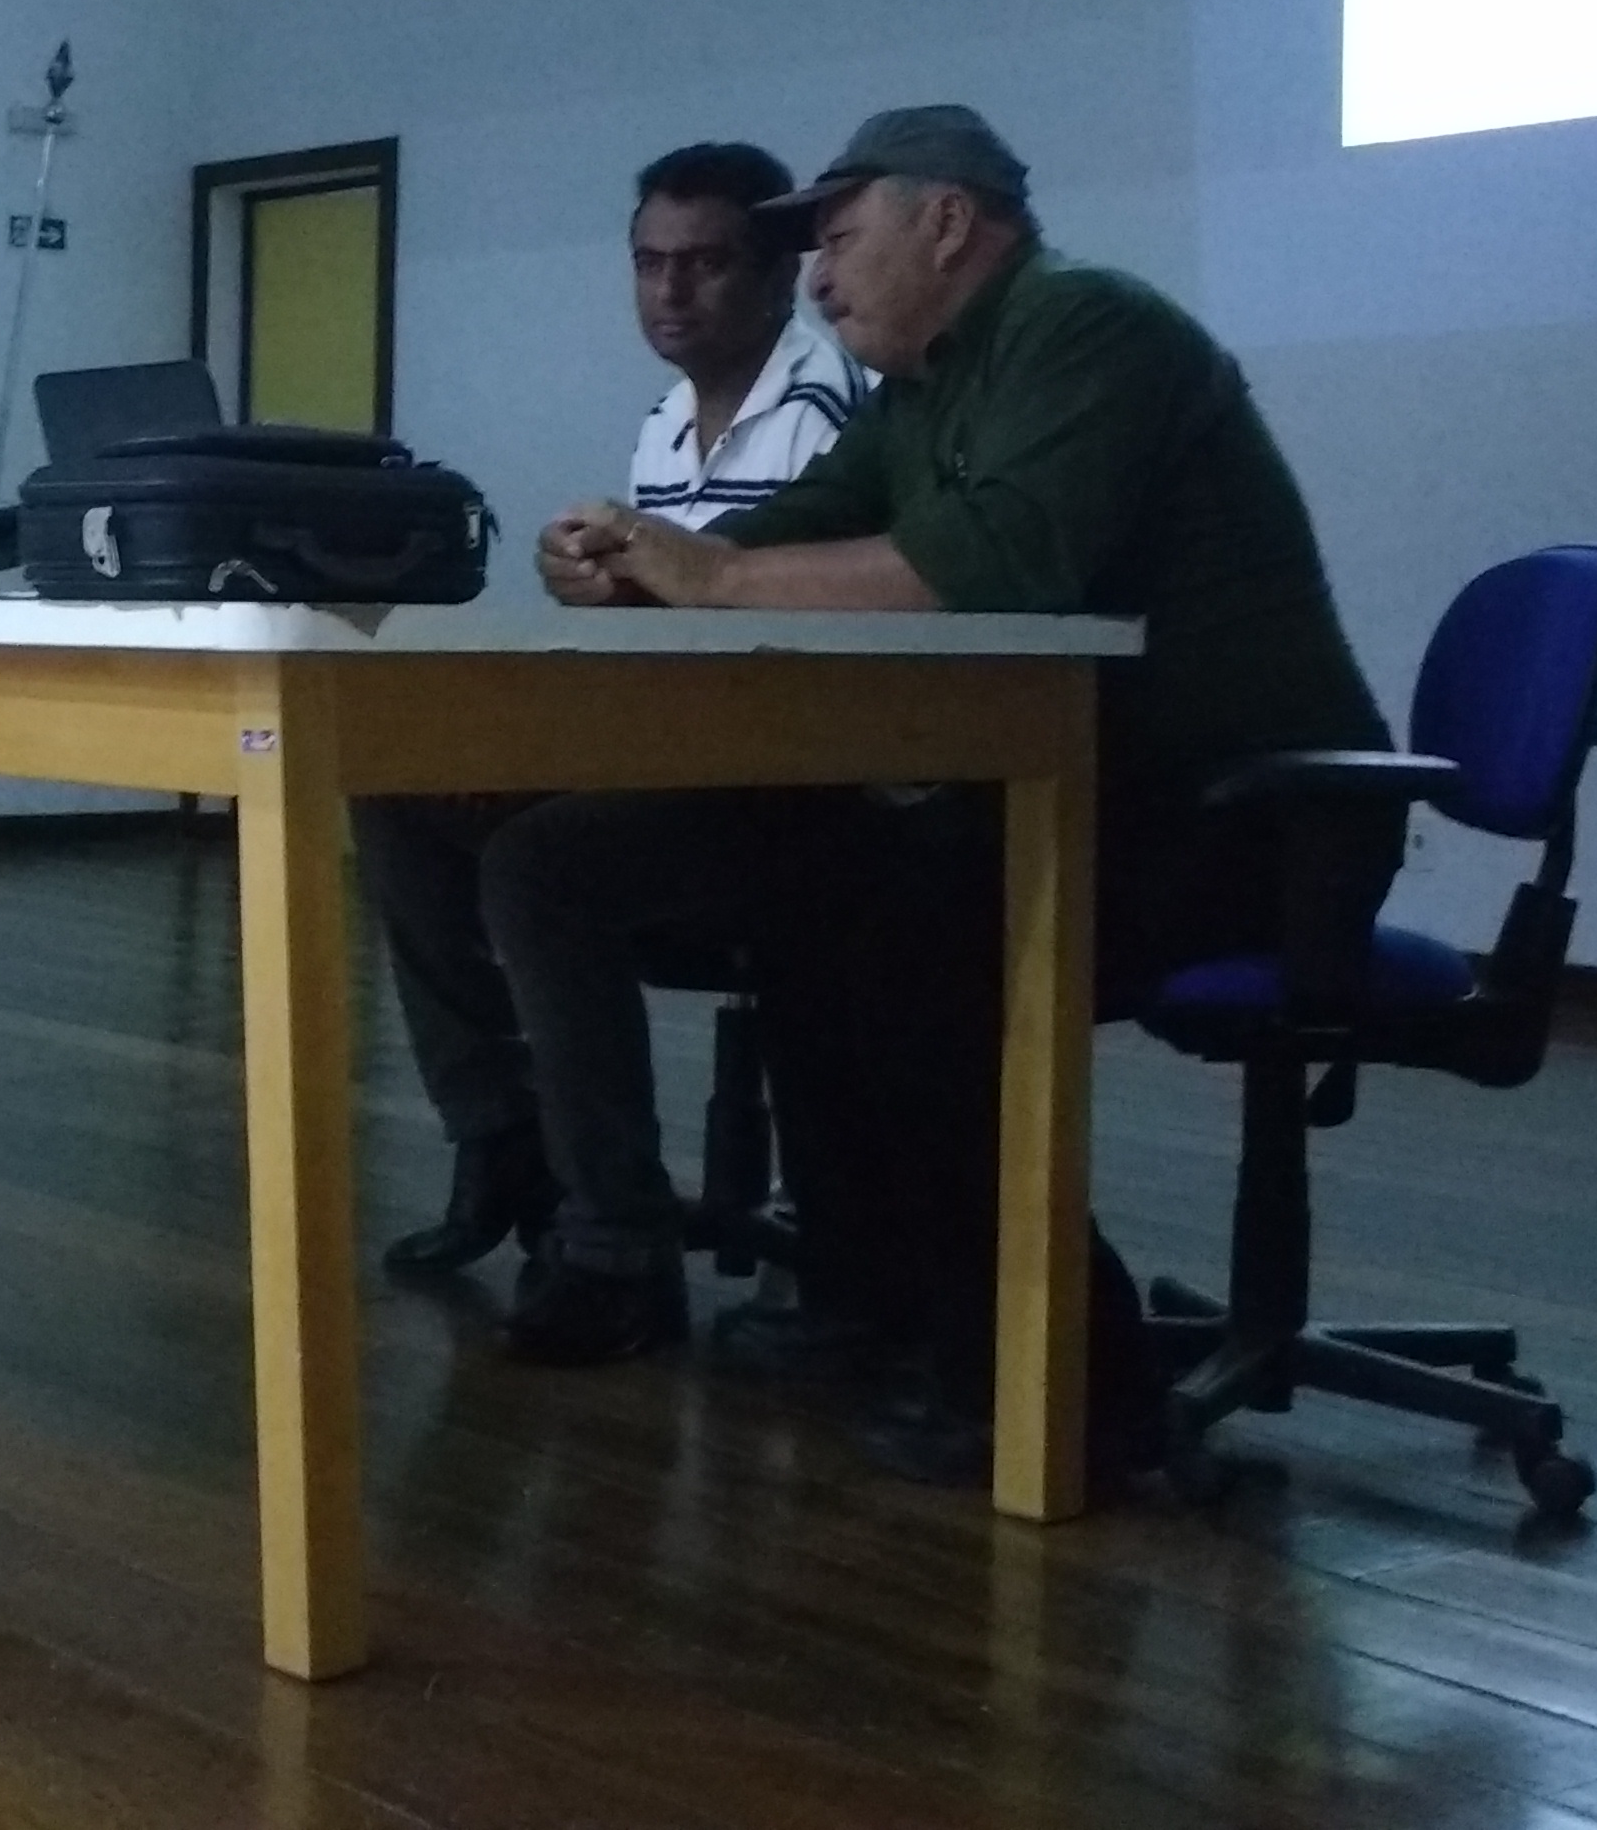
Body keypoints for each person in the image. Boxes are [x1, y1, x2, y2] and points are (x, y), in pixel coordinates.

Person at [495, 106, 1394, 1497]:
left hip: (1256, 824)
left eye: (839, 239)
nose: (814, 278)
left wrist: (706, 575)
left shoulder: (1090, 328)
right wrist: (622, 566)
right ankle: (871, 1302)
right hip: (1079, 800)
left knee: (909, 938)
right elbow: (767, 547)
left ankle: (1074, 1391)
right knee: (804, 896)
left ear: (948, 224)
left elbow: (993, 563)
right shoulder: (916, 396)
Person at [360, 143, 868, 1279]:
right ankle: (500, 1140)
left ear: (779, 273)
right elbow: (673, 619)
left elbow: (791, 634)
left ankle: (615, 1232)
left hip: (793, 781)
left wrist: (650, 589)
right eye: (647, 263)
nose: (668, 292)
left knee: (538, 860)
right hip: (679, 752)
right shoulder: (665, 424)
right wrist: (597, 582)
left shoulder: (825, 409)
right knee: (397, 791)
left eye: (703, 263)